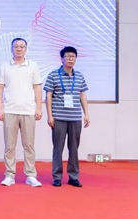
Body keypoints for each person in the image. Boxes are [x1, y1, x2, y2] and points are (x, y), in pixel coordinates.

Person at [0, 37, 43, 187]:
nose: (19, 49)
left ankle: (31, 175)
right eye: (16, 46)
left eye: (22, 46)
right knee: (9, 146)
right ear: (11, 49)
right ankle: (9, 175)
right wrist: (0, 108)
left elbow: (37, 87)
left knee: (29, 145)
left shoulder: (33, 66)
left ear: (26, 49)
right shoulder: (5, 66)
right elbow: (0, 88)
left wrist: (38, 108)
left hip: (28, 110)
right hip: (9, 110)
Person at [44, 46, 90, 187]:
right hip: (59, 117)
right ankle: (57, 177)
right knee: (58, 148)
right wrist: (50, 116)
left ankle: (73, 176)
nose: (70, 59)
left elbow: (82, 95)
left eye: (73, 56)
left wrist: (86, 114)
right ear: (61, 58)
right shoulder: (53, 75)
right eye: (68, 56)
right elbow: (48, 96)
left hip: (75, 117)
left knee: (74, 149)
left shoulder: (79, 76)